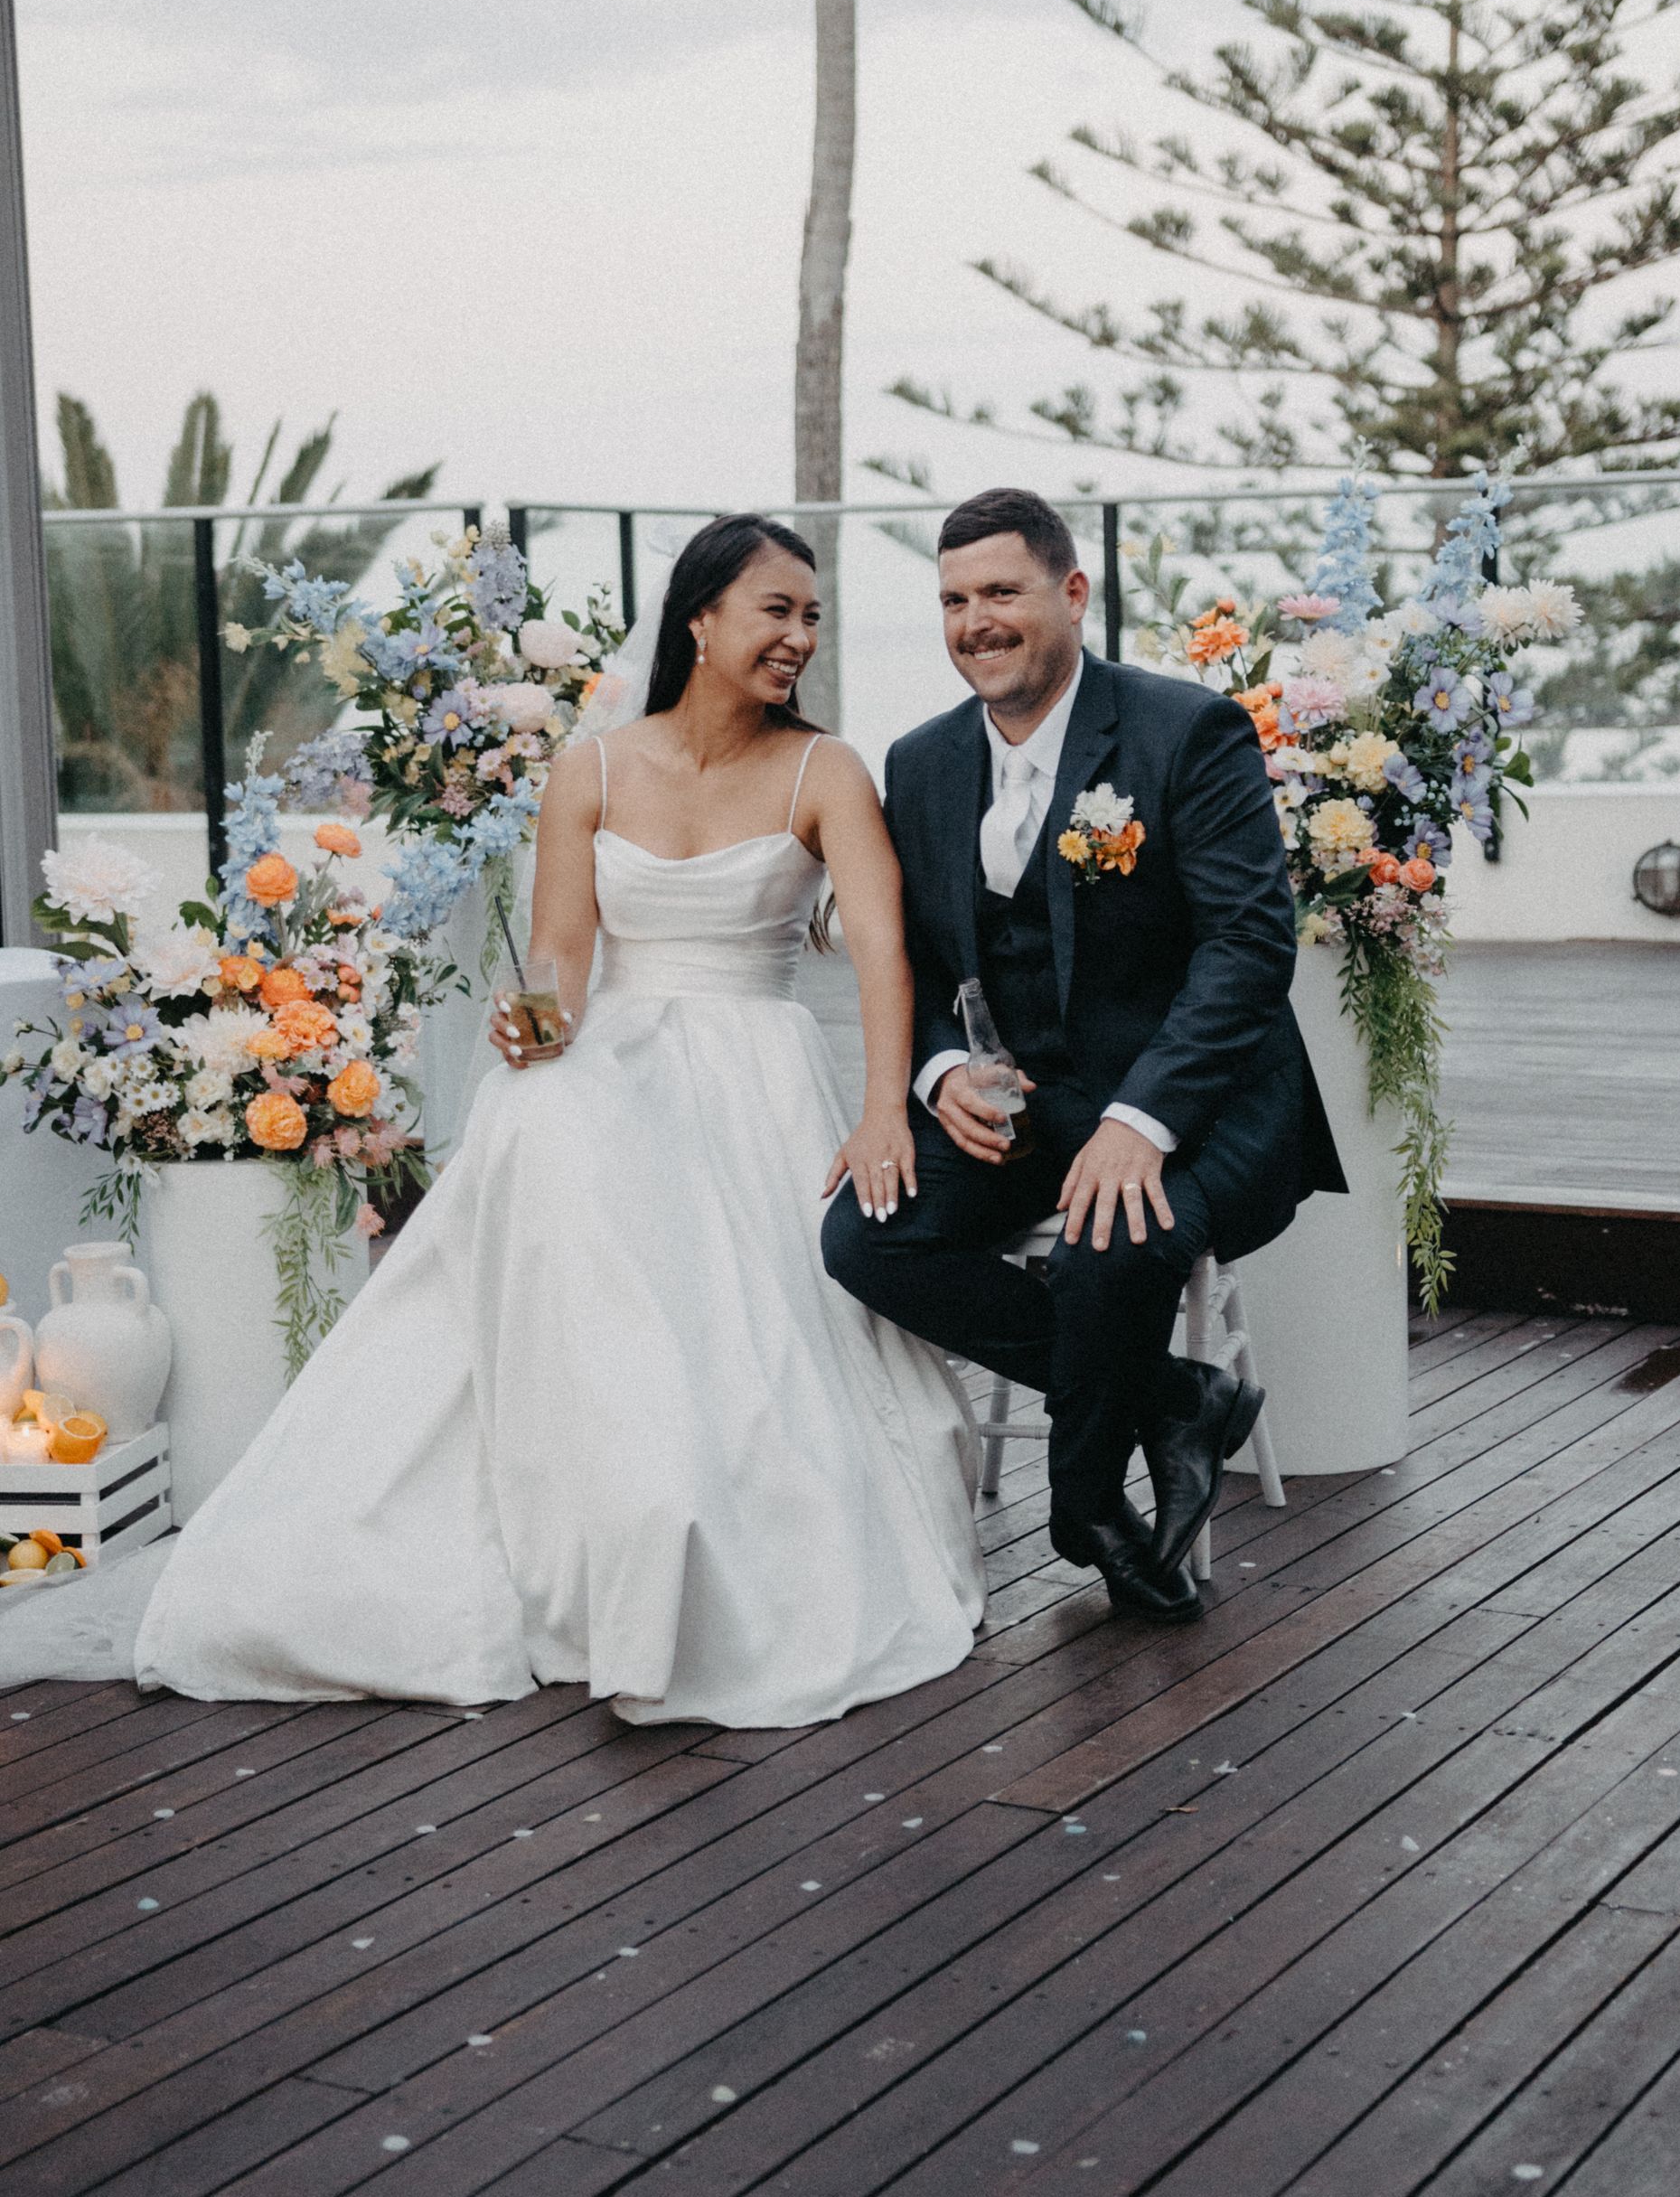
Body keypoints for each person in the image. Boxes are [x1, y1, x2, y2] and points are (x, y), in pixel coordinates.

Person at [1, 518, 985, 1725]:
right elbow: (562, 975)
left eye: (812, 616)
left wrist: (885, 1109)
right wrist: (518, 1049)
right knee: (546, 1121)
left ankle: (680, 1524)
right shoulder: (596, 766)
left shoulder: (824, 769)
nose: (799, 637)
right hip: (617, 1059)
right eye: (775, 610)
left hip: (757, 1075)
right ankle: (598, 1502)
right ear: (701, 620)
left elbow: (884, 954)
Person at [823, 487, 1344, 1626]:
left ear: (1070, 593)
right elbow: (905, 953)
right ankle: (1174, 1398)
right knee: (865, 1238)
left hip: (1204, 1103)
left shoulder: (1182, 730)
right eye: (954, 600)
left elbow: (1249, 952)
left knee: (1113, 1242)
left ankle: (1086, 1514)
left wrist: (1138, 1122)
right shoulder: (920, 765)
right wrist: (940, 1074)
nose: (976, 623)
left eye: (1001, 592)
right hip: (1030, 1104)